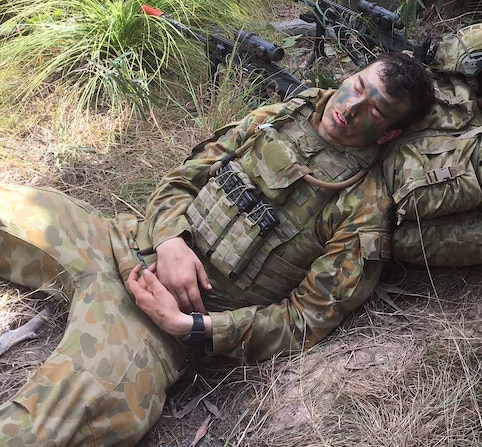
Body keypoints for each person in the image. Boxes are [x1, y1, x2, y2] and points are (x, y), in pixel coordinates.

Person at [0, 52, 435, 447]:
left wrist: (189, 326)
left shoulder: (363, 208)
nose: (351, 107)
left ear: (388, 132)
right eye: (357, 86)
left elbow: (303, 321)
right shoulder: (278, 118)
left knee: (55, 414)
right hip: (121, 241)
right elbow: (182, 179)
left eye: (373, 109)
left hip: (154, 325)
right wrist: (170, 239)